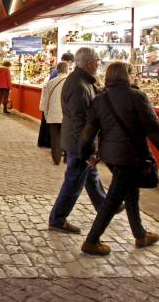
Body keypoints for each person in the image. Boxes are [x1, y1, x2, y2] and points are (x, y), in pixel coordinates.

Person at [79, 62, 159, 255]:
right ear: (126, 75)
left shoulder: (100, 99)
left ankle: (140, 234)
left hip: (111, 156)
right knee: (113, 199)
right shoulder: (136, 96)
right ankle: (91, 240)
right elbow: (152, 127)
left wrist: (84, 151)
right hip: (130, 156)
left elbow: (90, 128)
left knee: (131, 192)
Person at [48, 47, 108, 234]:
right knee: (74, 181)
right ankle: (58, 219)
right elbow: (80, 122)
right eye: (98, 60)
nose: (99, 63)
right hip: (78, 143)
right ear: (89, 63)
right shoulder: (79, 85)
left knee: (90, 176)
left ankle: (106, 206)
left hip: (78, 141)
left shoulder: (82, 81)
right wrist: (88, 151)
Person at [39, 62, 70, 165]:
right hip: (66, 115)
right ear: (67, 69)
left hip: (52, 114)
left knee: (54, 138)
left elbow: (45, 101)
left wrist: (46, 116)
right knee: (66, 136)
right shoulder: (70, 82)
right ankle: (66, 158)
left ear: (58, 70)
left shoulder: (50, 83)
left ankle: (56, 159)